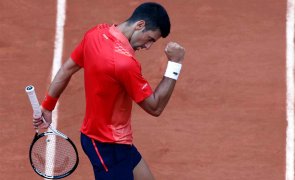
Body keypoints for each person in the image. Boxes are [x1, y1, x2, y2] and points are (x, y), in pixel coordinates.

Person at [33, 2, 185, 180]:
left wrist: (48, 106)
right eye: (150, 39)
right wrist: (175, 64)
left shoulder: (95, 34)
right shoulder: (124, 63)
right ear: (140, 25)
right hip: (108, 146)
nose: (148, 47)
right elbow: (155, 107)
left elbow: (67, 69)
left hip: (107, 140)